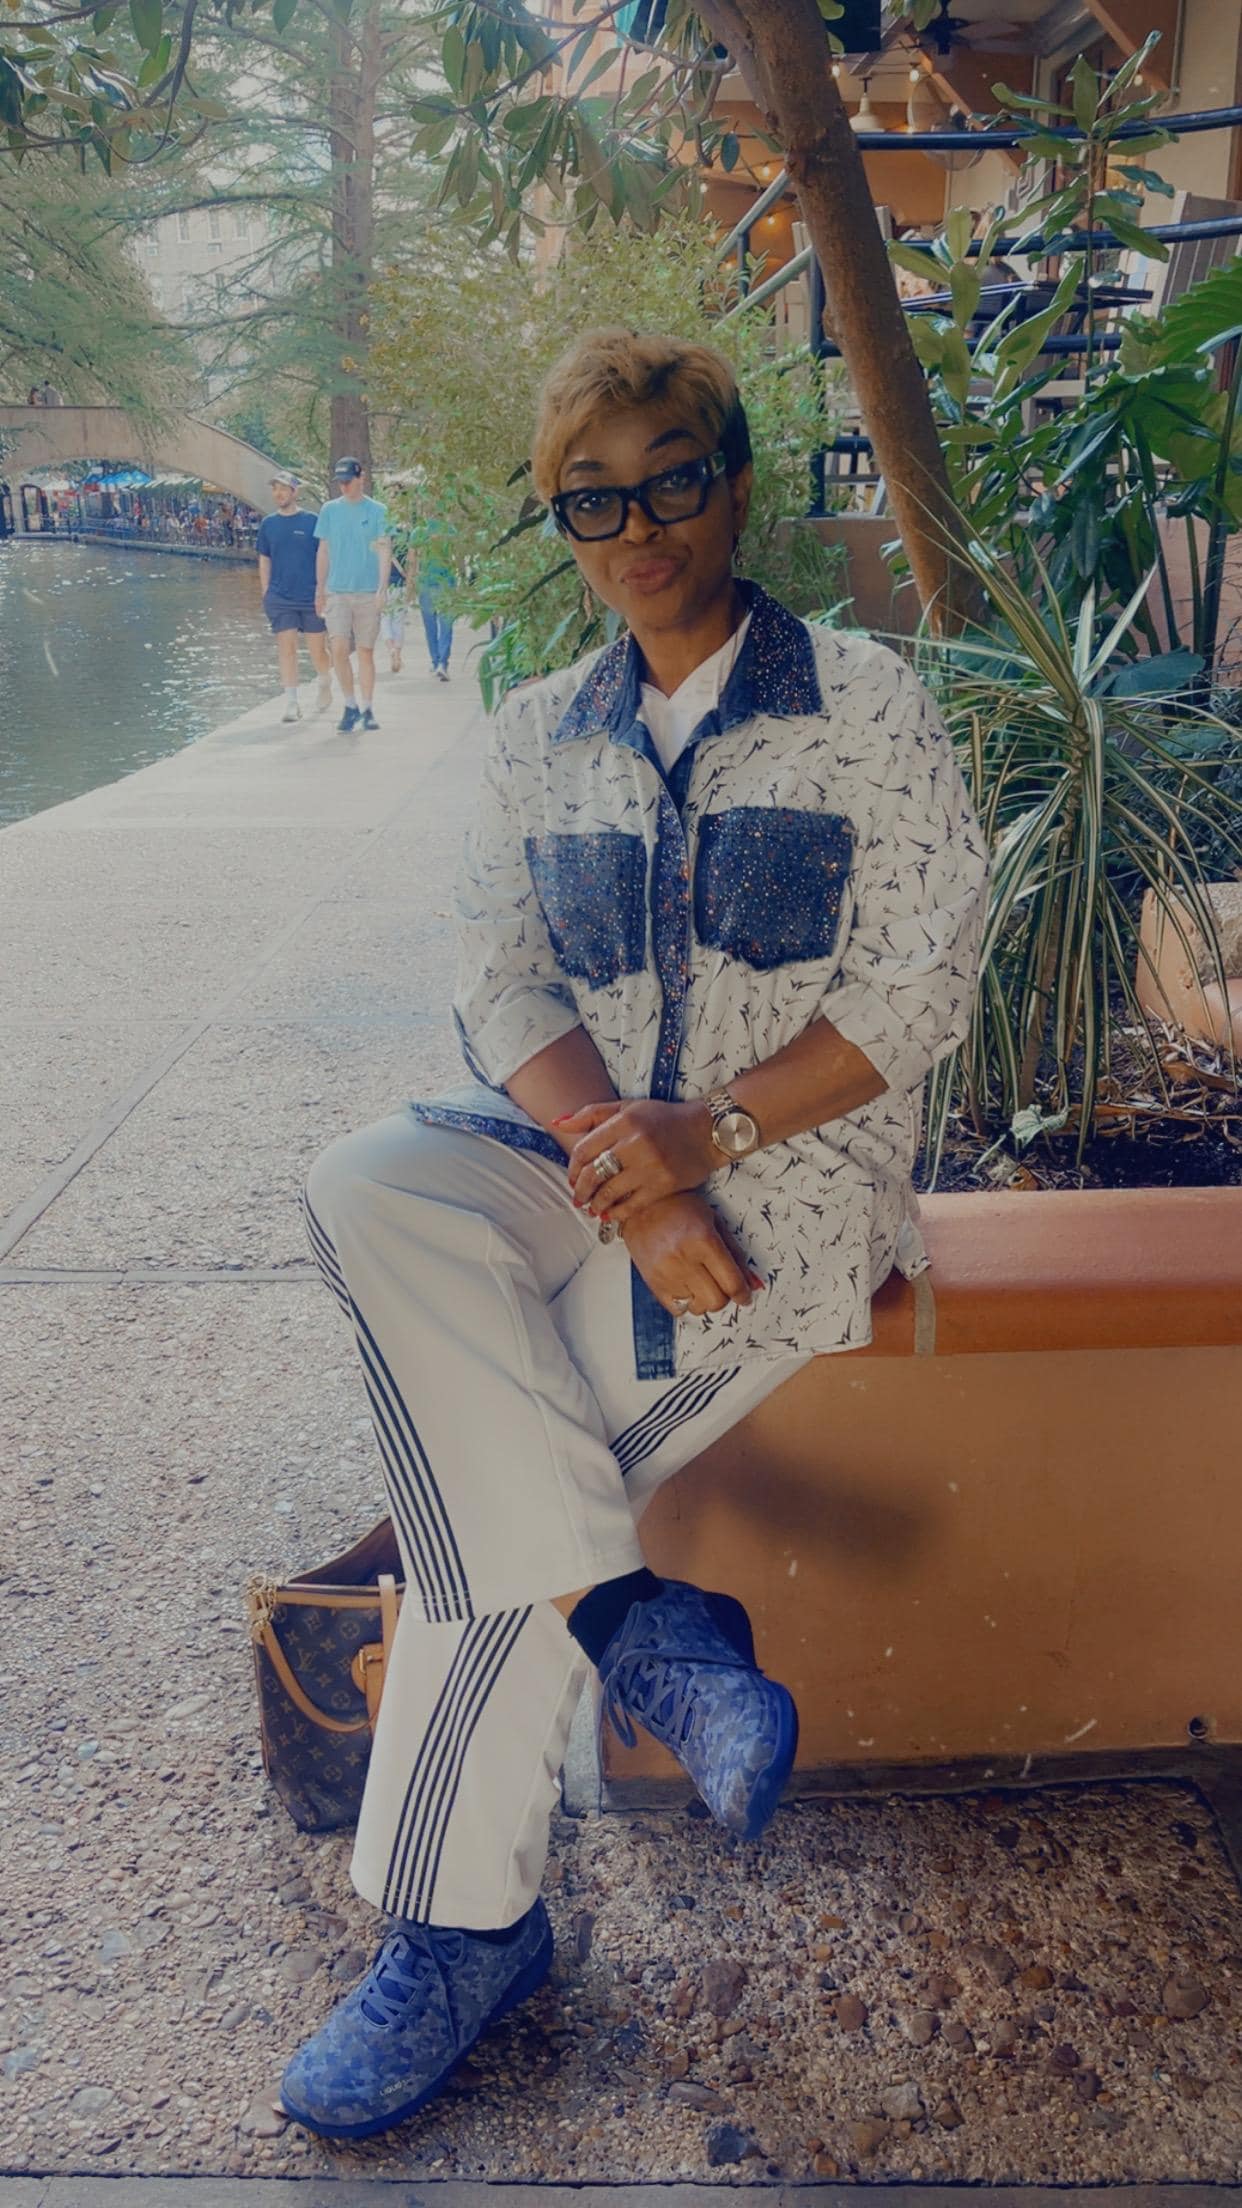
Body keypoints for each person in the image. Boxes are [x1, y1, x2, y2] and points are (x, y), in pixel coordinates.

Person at [280, 329, 989, 2144]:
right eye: (591, 500)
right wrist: (641, 1173)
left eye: (671, 477)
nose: (638, 526)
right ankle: (638, 1617)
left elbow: (921, 984)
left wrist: (710, 1147)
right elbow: (500, 980)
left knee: (492, 1518)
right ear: (563, 526)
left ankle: (459, 1931)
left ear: (731, 482)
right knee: (370, 1181)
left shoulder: (864, 705)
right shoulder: (541, 731)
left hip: (779, 1209)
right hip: (603, 1173)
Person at [314, 458, 391, 732]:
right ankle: (349, 704)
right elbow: (323, 550)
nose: (344, 486)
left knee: (366, 651)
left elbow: (384, 548)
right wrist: (319, 589)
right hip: (337, 590)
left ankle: (368, 707)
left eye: (348, 481)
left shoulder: (378, 511)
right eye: (341, 482)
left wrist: (382, 588)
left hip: (368, 590)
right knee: (338, 648)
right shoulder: (329, 510)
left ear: (361, 478)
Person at [255, 472, 333, 723]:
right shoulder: (268, 524)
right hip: (280, 597)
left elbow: (324, 556)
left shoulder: (312, 521)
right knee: (286, 649)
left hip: (311, 596)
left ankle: (325, 680)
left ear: (294, 492)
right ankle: (291, 703)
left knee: (317, 651)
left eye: (283, 488)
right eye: (275, 488)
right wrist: (266, 591)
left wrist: (323, 590)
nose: (278, 493)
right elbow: (264, 558)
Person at [412, 511, 455, 681]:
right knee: (446, 623)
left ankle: (436, 661)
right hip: (446, 582)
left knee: (430, 625)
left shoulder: (419, 532)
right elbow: (457, 558)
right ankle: (442, 663)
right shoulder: (450, 530)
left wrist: (410, 586)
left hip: (426, 582)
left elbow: (412, 560)